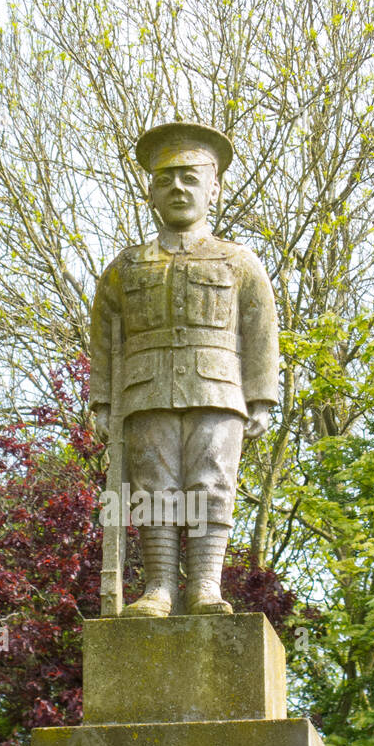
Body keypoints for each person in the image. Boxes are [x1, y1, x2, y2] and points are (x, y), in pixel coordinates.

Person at [90, 120, 279, 615]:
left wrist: (261, 396)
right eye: (166, 179)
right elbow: (105, 339)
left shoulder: (240, 262)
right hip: (145, 390)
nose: (178, 187)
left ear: (213, 189)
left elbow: (260, 332)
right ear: (150, 192)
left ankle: (205, 587)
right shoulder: (124, 267)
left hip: (219, 390)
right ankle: (159, 588)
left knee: (212, 484)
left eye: (190, 178)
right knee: (154, 489)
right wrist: (103, 400)